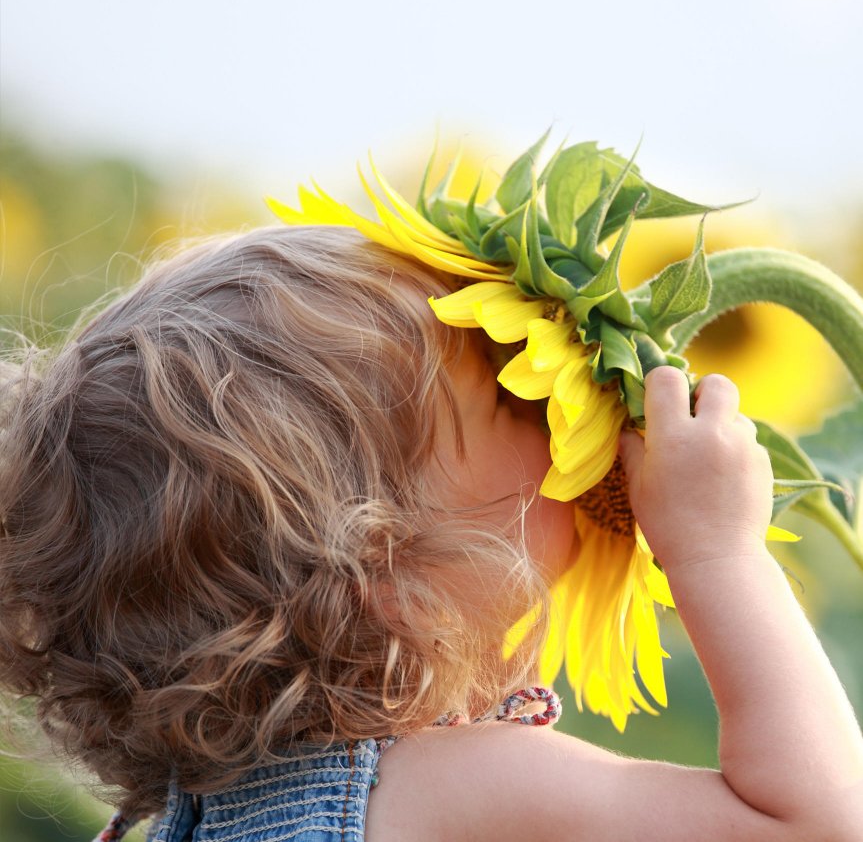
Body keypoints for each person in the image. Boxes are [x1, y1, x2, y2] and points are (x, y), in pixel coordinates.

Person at [0, 225, 860, 842]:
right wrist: (716, 548)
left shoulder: (194, 811)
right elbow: (821, 821)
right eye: (510, 393)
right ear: (389, 570)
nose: (557, 418)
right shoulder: (457, 789)